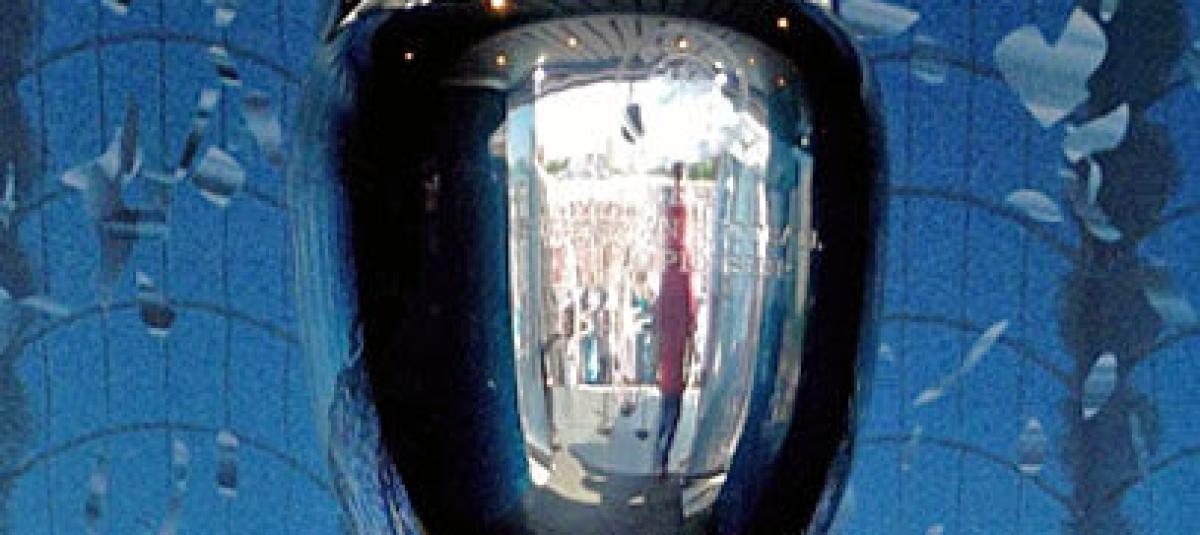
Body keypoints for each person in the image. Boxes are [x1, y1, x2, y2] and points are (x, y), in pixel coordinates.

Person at [655, 162, 697, 480]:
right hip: (676, 344)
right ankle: (661, 456)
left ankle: (661, 457)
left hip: (672, 344)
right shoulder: (679, 269)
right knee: (671, 405)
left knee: (669, 404)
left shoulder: (672, 270)